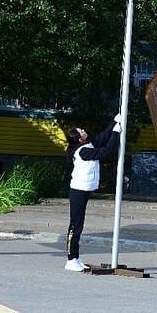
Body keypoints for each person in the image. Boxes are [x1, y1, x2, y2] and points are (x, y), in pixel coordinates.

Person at [63, 114, 122, 272]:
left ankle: (75, 258)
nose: (83, 130)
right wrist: (116, 133)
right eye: (81, 131)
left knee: (79, 224)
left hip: (84, 189)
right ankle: (71, 259)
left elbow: (103, 137)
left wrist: (115, 122)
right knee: (75, 225)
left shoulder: (88, 145)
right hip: (78, 190)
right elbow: (106, 152)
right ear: (79, 138)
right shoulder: (83, 151)